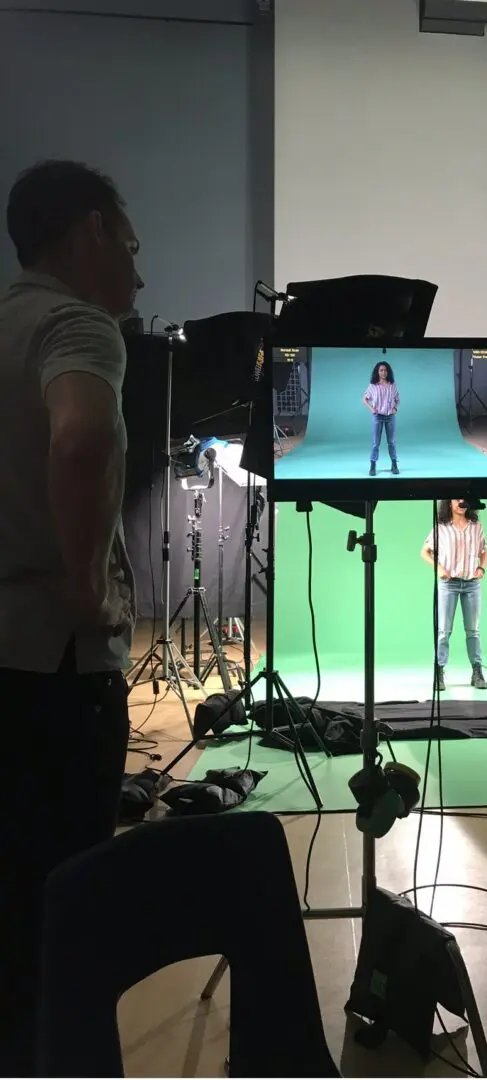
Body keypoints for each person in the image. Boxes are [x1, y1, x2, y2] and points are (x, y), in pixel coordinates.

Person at [0, 160, 141, 1075]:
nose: (136, 268)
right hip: (55, 679)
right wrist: (88, 580)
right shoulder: (75, 324)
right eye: (131, 245)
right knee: (62, 924)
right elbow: (81, 434)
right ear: (90, 232)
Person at [420, 499, 487, 691]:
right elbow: (424, 552)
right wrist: (439, 567)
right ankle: (439, 671)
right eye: (456, 499)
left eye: (463, 499)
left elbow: (484, 551)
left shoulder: (476, 527)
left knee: (473, 630)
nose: (461, 502)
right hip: (448, 584)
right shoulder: (440, 528)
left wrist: (481, 568)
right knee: (444, 631)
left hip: (471, 584)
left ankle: (477, 671)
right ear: (448, 503)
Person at [363, 359, 400, 476]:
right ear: (377, 372)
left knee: (391, 442)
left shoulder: (392, 385)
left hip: (390, 417)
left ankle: (394, 464)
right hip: (377, 417)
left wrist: (395, 409)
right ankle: (373, 465)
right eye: (381, 370)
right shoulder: (373, 386)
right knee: (375, 443)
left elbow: (397, 400)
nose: (383, 372)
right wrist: (372, 409)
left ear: (388, 372)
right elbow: (365, 399)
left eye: (385, 370)